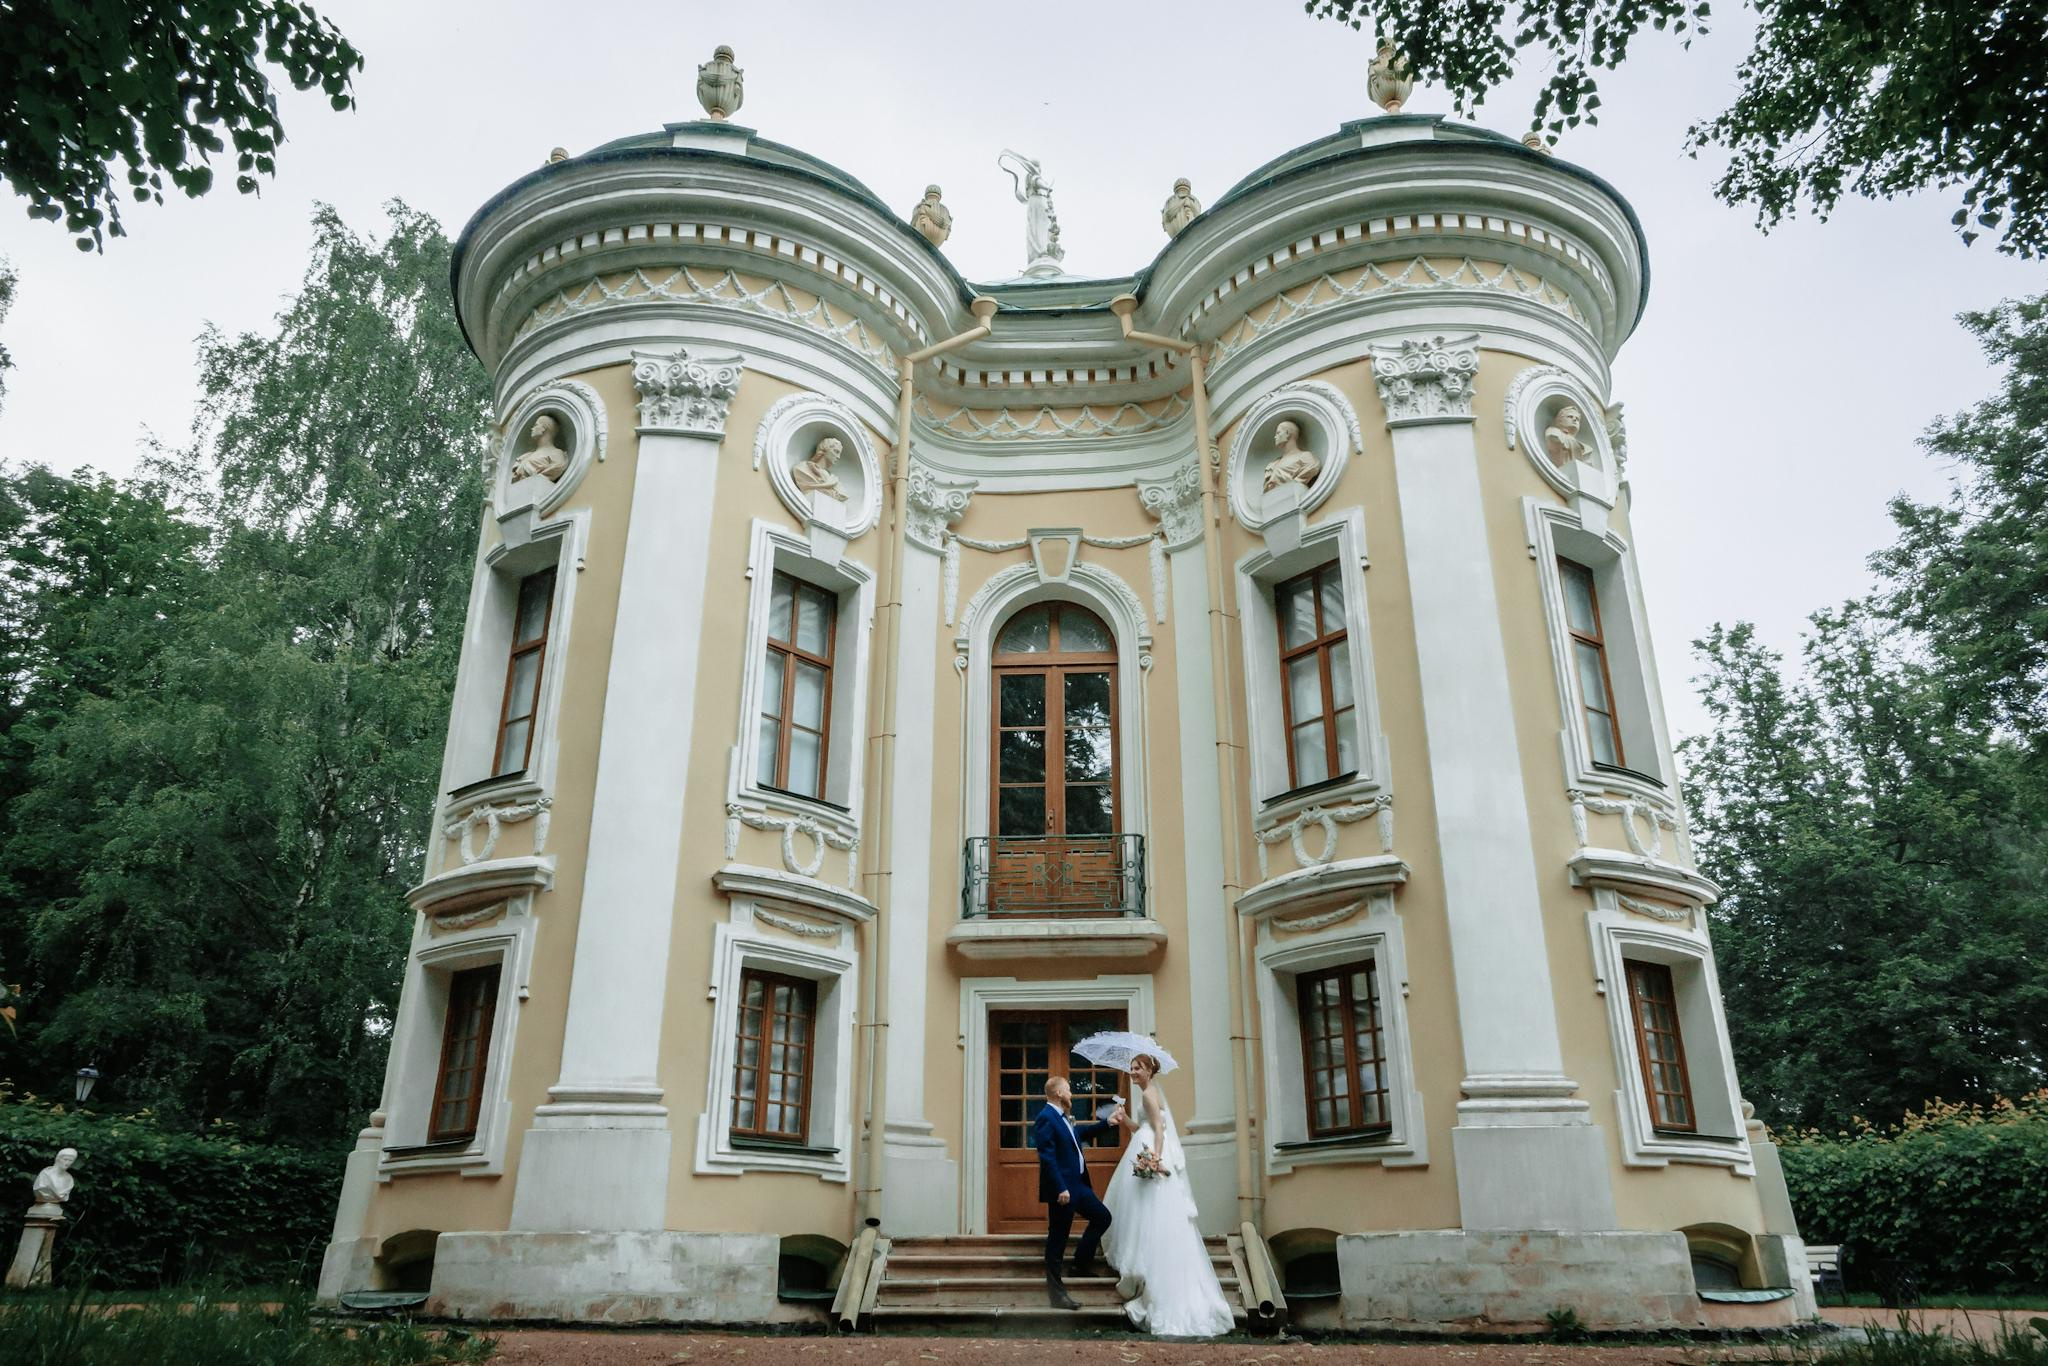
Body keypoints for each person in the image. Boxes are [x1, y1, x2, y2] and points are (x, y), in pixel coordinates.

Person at [1101, 1054, 1235, 1337]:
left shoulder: (1149, 1095)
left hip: (1151, 1154)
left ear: (1149, 1070)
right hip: (1145, 1147)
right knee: (1143, 1214)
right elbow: (1143, 1128)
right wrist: (1124, 1119)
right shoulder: (1150, 1093)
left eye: (1137, 1068)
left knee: (1150, 1214)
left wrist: (1155, 1159)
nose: (1132, 1072)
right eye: (1131, 1068)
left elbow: (1159, 1131)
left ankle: (1150, 1274)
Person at [1034, 1076, 1123, 1310]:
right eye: (1068, 1090)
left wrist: (1108, 1123)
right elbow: (1047, 1157)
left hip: (1079, 1186)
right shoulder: (1046, 1117)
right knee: (1057, 1240)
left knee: (1102, 1217)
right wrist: (1060, 1187)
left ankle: (1080, 1265)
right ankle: (1057, 1296)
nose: (1071, 1093)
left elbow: (1079, 1134)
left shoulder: (1062, 1117)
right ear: (1058, 1093)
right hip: (1063, 1190)